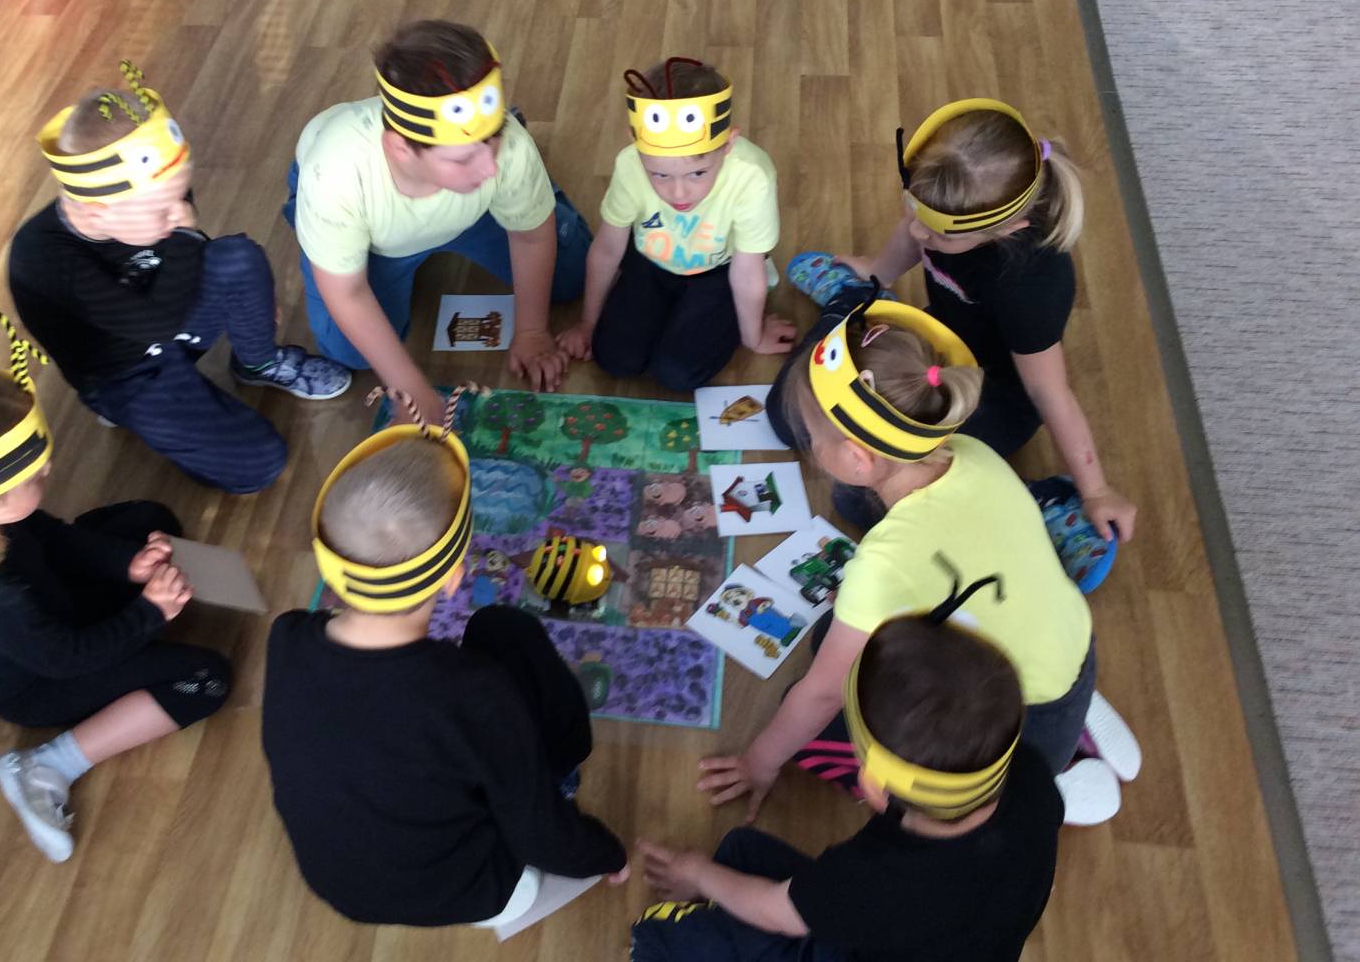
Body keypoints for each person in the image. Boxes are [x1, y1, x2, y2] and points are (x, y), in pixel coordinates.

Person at [700, 299, 1123, 824]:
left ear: (858, 459)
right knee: (832, 636)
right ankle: (1077, 719)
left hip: (1019, 727)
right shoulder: (972, 452)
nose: (808, 449)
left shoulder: (885, 562)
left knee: (820, 732)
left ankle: (1052, 784)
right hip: (1073, 647)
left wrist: (758, 763)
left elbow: (822, 694)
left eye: (811, 439)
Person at [260, 394, 626, 928]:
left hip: (338, 888)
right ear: (454, 577)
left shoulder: (287, 636)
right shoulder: (476, 692)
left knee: (493, 642)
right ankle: (563, 772)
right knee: (506, 630)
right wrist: (607, 854)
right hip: (475, 890)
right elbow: (541, 834)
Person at [0, 315, 231, 863]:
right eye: (36, 475)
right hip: (39, 680)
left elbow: (53, 538)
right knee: (206, 679)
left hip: (50, 607)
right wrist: (149, 613)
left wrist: (129, 565)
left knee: (149, 521)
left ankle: (139, 581)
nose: (48, 475)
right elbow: (69, 659)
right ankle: (49, 764)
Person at [633, 598, 1064, 962]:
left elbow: (776, 913)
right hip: (957, 931)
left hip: (871, 934)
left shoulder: (873, 881)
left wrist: (697, 873)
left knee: (659, 935)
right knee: (740, 850)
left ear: (873, 786)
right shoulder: (1032, 773)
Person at [786, 98, 1135, 543]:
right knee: (808, 413)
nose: (918, 231)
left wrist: (1096, 491)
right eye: (914, 210)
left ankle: (1034, 505)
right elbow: (913, 235)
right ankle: (857, 296)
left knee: (859, 499)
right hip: (936, 349)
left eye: (937, 234)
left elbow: (1049, 392)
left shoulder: (1030, 286)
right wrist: (876, 274)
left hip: (991, 396)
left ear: (1008, 228)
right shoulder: (945, 209)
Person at [9, 61, 350, 494]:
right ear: (95, 213)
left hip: (169, 317)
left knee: (237, 258)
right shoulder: (45, 258)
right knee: (259, 465)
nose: (182, 212)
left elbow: (194, 252)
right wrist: (187, 238)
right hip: (126, 371)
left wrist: (245, 300)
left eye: (181, 194)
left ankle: (258, 362)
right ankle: (131, 413)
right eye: (164, 210)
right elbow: (159, 318)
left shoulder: (149, 200)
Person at [285, 21, 592, 425]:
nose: (489, 165)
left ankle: (528, 188)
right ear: (400, 149)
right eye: (464, 157)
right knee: (351, 353)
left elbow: (532, 237)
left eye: (494, 137)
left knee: (572, 276)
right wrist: (409, 388)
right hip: (378, 236)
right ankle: (321, 231)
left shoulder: (504, 153)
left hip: (473, 212)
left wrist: (532, 332)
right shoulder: (334, 176)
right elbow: (348, 292)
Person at [555, 57, 794, 389]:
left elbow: (747, 268)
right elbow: (608, 248)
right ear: (635, 144)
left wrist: (752, 336)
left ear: (728, 144)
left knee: (678, 375)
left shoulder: (752, 176)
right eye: (660, 175)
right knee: (614, 359)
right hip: (650, 261)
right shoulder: (629, 165)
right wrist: (587, 323)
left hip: (720, 270)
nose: (678, 193)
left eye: (697, 173)